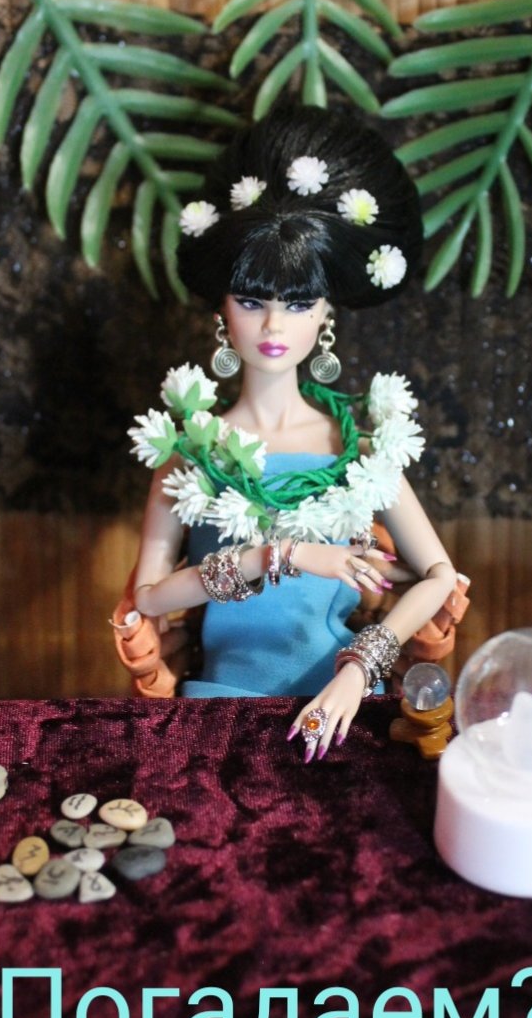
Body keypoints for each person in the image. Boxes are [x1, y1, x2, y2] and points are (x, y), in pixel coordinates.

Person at [114, 106, 459, 761]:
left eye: (299, 303)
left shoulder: (355, 449)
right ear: (223, 309)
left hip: (340, 703)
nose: (275, 326)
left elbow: (439, 575)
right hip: (218, 710)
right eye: (252, 300)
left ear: (325, 314)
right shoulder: (193, 453)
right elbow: (151, 597)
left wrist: (360, 668)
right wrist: (282, 555)